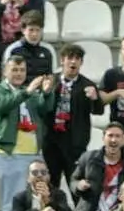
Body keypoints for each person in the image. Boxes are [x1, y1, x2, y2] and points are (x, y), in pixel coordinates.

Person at [0, 56, 53, 211]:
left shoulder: (29, 92)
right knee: (11, 200)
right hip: (10, 153)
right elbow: (0, 106)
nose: (18, 74)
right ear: (4, 72)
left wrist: (47, 93)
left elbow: (44, 108)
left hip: (34, 153)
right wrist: (27, 91)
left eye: (22, 70)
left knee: (37, 198)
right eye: (14, 70)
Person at [41, 43, 103, 190]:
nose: (73, 62)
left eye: (77, 59)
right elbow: (40, 108)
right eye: (70, 58)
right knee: (51, 184)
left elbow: (98, 111)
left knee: (76, 184)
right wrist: (45, 93)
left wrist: (95, 99)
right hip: (52, 140)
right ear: (62, 60)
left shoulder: (88, 85)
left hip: (74, 142)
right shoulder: (50, 81)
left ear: (81, 62)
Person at [1, 10, 55, 83]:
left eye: (38, 30)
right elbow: (7, 78)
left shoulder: (48, 50)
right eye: (31, 30)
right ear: (23, 30)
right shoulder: (12, 50)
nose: (34, 34)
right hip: (19, 92)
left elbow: (51, 76)